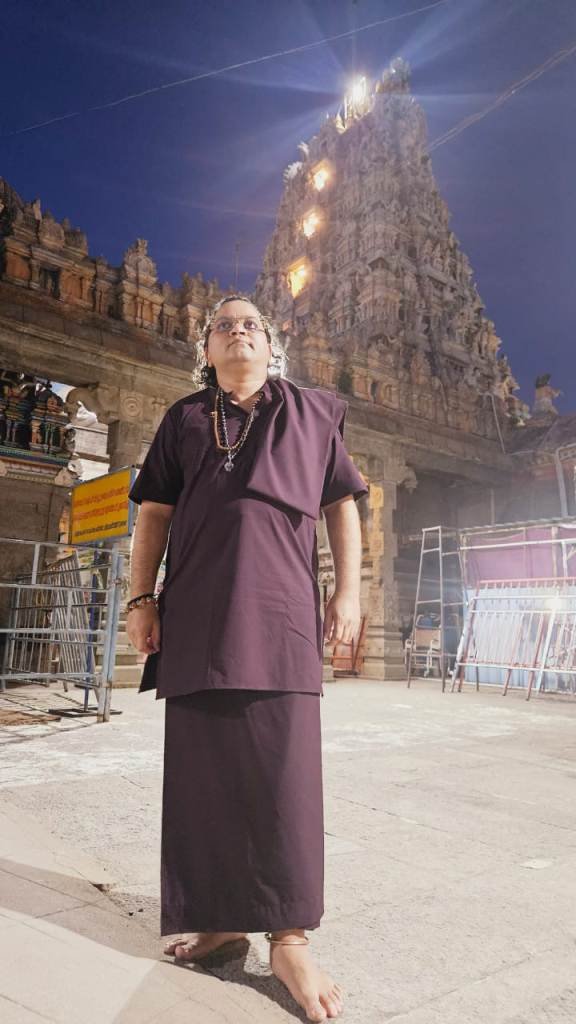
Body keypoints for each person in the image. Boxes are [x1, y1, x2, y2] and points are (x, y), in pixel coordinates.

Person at [127, 294, 368, 1023]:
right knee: (202, 777)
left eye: (252, 325)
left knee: (281, 776)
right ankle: (221, 921)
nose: (239, 331)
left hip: (281, 615)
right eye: (224, 326)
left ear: (271, 347)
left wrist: (348, 592)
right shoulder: (183, 420)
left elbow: (341, 504)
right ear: (205, 350)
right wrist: (141, 599)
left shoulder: (310, 414)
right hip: (197, 615)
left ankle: (289, 938)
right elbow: (154, 512)